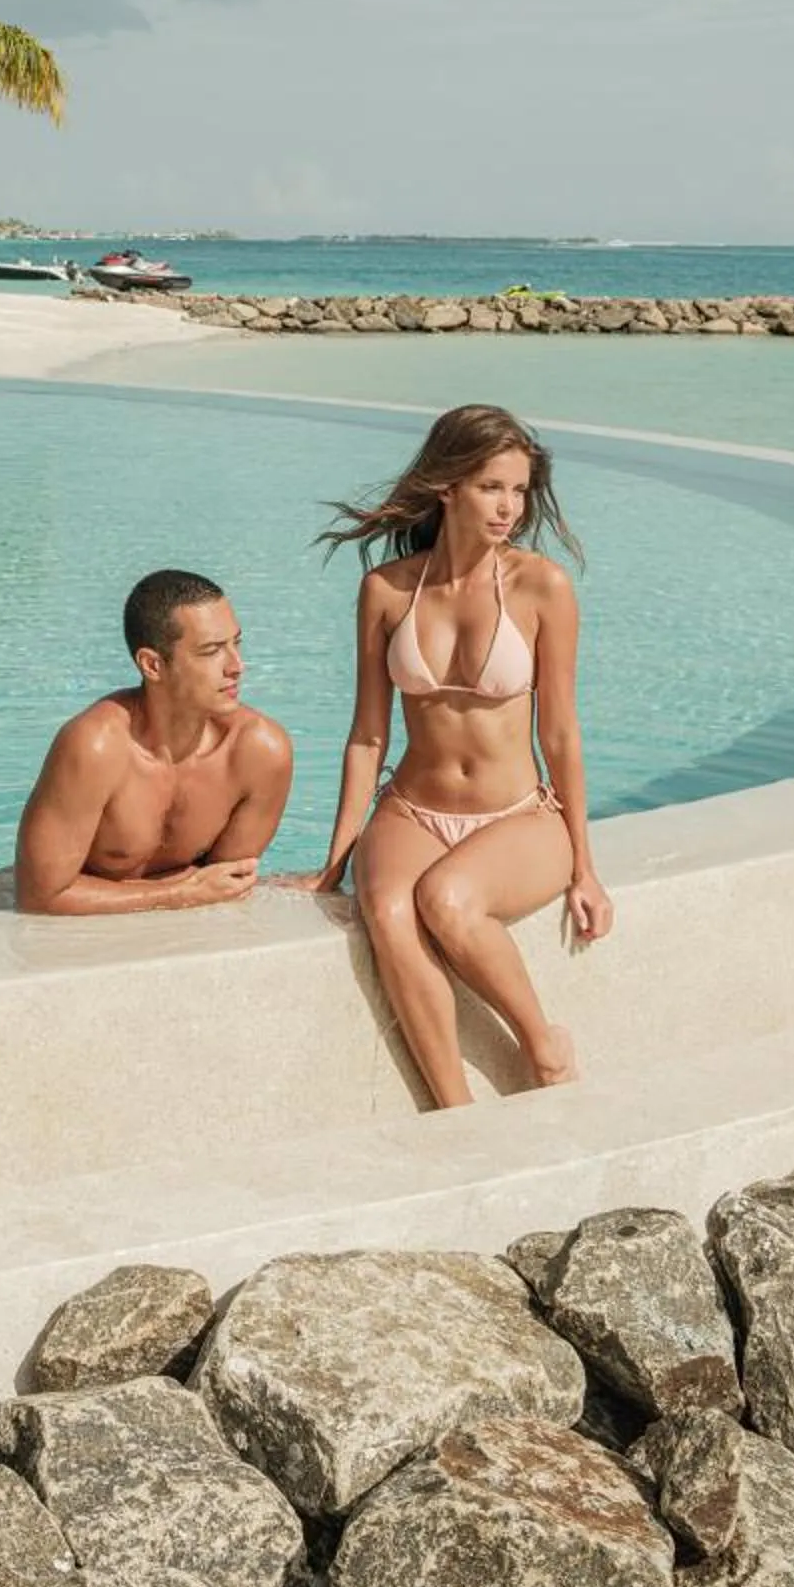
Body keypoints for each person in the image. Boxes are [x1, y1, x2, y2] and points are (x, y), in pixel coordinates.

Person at [313, 403, 611, 1107]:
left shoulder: (543, 587)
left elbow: (561, 734)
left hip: (517, 815)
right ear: (447, 485)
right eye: (491, 487)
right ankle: (455, 1113)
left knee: (447, 901)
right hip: (413, 809)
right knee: (386, 912)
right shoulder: (387, 591)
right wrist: (333, 865)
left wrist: (586, 868)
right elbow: (367, 735)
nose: (509, 507)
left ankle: (542, 1045)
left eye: (518, 490)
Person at [14, 568, 295, 913]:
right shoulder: (96, 748)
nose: (237, 666)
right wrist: (178, 893)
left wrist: (186, 891)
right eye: (211, 651)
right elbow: (40, 896)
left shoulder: (258, 752)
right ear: (153, 665)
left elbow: (224, 886)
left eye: (236, 643)